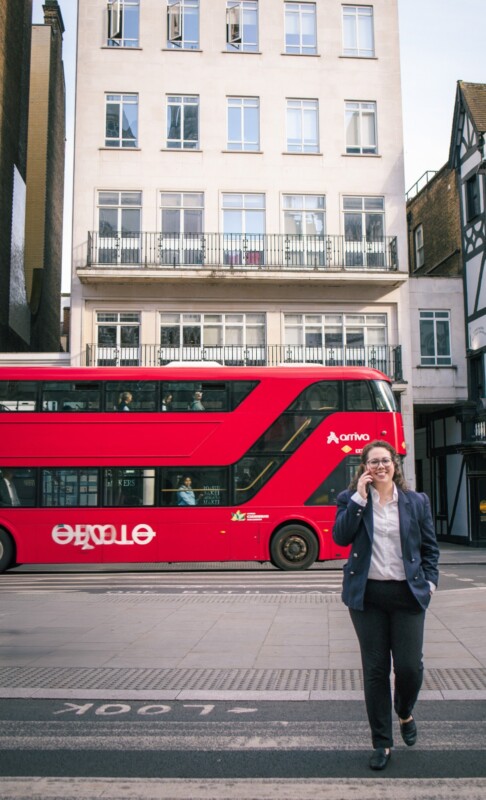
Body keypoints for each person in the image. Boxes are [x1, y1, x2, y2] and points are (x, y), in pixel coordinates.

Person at [332, 440, 439, 771]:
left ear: (395, 464)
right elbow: (340, 536)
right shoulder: (350, 500)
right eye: (372, 462)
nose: (380, 466)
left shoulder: (415, 502)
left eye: (385, 460)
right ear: (364, 468)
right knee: (376, 671)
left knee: (409, 668)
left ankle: (404, 711)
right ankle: (382, 742)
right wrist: (359, 500)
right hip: (368, 598)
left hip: (407, 596)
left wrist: (430, 583)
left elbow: (430, 549)